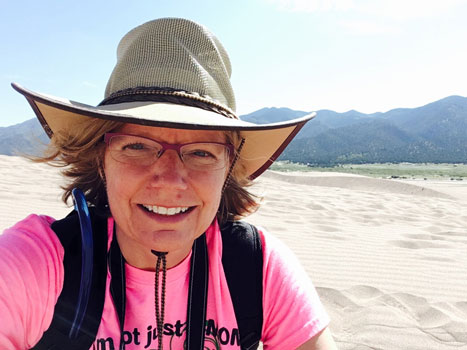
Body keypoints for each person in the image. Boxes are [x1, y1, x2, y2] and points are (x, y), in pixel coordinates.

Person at [0, 18, 337, 349]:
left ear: (228, 169)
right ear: (101, 160)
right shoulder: (36, 263)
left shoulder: (256, 267)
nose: (171, 181)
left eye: (202, 153)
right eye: (137, 146)